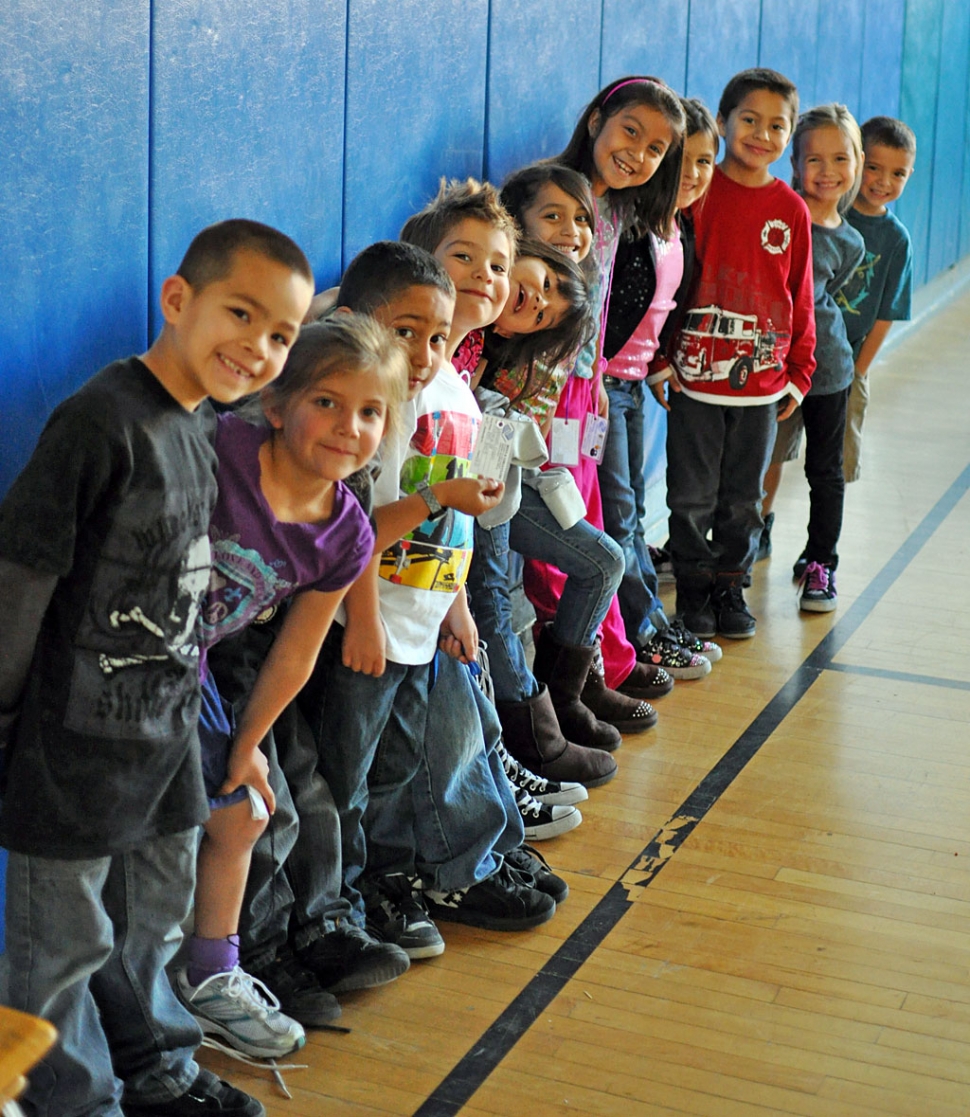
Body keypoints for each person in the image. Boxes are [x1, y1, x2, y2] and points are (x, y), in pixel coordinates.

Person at [0, 218, 314, 1117]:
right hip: (70, 750)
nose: (256, 347)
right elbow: (22, 577)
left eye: (279, 335)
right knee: (59, 948)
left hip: (164, 741)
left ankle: (162, 1070)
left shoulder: (201, 429)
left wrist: (207, 737)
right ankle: (76, 1102)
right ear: (179, 300)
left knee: (150, 930)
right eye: (240, 314)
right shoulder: (100, 420)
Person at [300, 219, 561, 961]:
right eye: (404, 330)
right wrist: (364, 620)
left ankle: (388, 884)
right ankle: (341, 906)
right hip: (367, 621)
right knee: (345, 778)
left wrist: (456, 606)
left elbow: (467, 511)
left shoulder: (454, 391)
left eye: (436, 336)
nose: (423, 353)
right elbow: (348, 525)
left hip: (421, 621)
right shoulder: (361, 403)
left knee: (397, 769)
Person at [174, 315, 411, 1059]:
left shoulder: (345, 532)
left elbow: (297, 653)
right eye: (328, 403)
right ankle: (130, 995)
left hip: (193, 669)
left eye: (371, 412)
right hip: (123, 655)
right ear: (277, 405)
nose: (350, 426)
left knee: (243, 807)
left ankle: (210, 977)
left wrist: (246, 746)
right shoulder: (222, 453)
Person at [514, 78, 690, 724]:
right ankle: (574, 677)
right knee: (564, 544)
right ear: (595, 121)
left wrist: (601, 383)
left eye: (655, 148)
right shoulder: (555, 196)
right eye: (630, 133)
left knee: (594, 519)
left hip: (587, 390)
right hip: (544, 394)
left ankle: (605, 661)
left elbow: (602, 307)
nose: (639, 153)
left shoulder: (614, 210)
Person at [659, 68, 816, 640]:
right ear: (723, 123)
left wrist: (799, 372)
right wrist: (660, 356)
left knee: (744, 499)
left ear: (791, 136)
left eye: (778, 125)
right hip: (693, 384)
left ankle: (731, 588)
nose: (762, 134)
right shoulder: (697, 194)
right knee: (691, 496)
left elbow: (800, 295)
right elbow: (667, 281)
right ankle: (694, 593)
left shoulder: (792, 210)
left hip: (765, 389)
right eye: (749, 120)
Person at [600, 96, 723, 676]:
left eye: (705, 163)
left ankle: (645, 619)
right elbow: (608, 307)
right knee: (621, 516)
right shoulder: (627, 226)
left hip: (631, 385)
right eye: (683, 161)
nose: (694, 175)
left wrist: (655, 365)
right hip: (602, 388)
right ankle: (642, 630)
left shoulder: (680, 229)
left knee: (633, 510)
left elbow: (655, 310)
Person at [760, 105, 866, 612]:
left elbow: (824, 297)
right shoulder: (779, 215)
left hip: (829, 374)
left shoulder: (850, 240)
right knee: (763, 461)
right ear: (795, 166)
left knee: (825, 472)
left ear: (856, 163)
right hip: (772, 372)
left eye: (839, 158)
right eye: (814, 160)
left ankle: (821, 560)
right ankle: (750, 537)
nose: (828, 171)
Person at [835, 116, 916, 483]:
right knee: (773, 450)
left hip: (850, 361)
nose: (884, 182)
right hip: (802, 356)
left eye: (898, 174)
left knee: (839, 461)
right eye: (874, 169)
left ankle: (824, 535)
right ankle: (762, 526)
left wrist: (858, 371)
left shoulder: (896, 240)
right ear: (856, 160)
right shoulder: (830, 212)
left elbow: (886, 314)